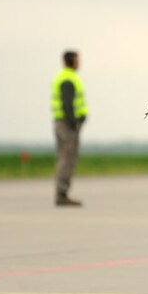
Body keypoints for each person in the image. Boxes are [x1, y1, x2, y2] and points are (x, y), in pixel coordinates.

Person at [50, 50, 87, 206]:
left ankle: (61, 192)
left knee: (64, 157)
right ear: (72, 61)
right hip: (67, 125)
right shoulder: (68, 79)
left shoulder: (64, 77)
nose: (79, 63)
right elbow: (67, 104)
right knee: (67, 158)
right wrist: (74, 123)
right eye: (78, 60)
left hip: (62, 123)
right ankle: (62, 193)